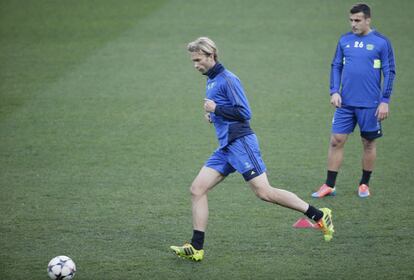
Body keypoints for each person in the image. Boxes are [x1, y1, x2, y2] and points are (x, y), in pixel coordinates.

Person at [170, 37, 334, 262]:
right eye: (193, 60)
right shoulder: (211, 79)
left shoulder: (228, 79)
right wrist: (213, 114)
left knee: (264, 192)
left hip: (241, 143)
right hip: (226, 146)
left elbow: (244, 113)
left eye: (198, 60)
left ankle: (319, 214)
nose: (195, 65)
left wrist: (216, 108)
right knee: (197, 189)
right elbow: (225, 110)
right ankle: (196, 246)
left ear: (211, 55)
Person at [312, 3, 396, 199]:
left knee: (368, 142)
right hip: (345, 103)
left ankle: (364, 184)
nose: (353, 24)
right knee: (336, 141)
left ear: (368, 20)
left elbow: (389, 71)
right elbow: (335, 66)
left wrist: (385, 100)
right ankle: (329, 185)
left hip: (370, 104)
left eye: (357, 20)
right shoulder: (344, 40)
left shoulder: (381, 42)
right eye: (351, 20)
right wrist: (334, 91)